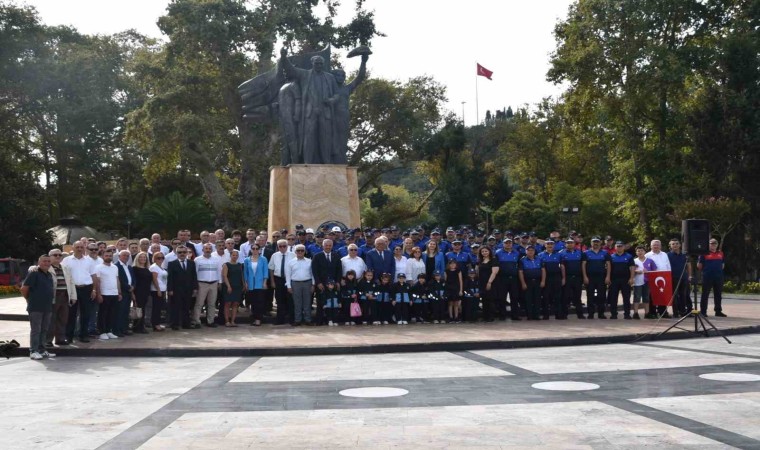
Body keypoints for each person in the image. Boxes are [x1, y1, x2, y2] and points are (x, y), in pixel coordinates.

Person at [280, 48, 339, 164]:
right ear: (312, 63)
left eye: (321, 64)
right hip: (309, 112)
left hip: (325, 112)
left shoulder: (330, 77)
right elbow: (290, 69)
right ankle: (307, 162)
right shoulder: (305, 74)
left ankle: (327, 162)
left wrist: (332, 100)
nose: (319, 66)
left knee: (325, 139)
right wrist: (283, 57)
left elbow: (337, 94)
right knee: (308, 138)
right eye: (317, 63)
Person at [22, 254, 56, 360]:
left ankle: (42, 350)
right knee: (36, 330)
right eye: (44, 261)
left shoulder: (49, 275)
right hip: (35, 307)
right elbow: (24, 289)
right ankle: (33, 351)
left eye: (48, 261)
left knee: (44, 329)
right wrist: (29, 300)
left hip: (47, 307)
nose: (46, 263)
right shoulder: (34, 273)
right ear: (39, 262)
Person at [62, 241, 97, 343]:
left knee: (85, 313)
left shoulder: (89, 261)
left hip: (86, 288)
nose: (79, 249)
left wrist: (94, 289)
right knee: (71, 313)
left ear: (84, 248)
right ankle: (69, 336)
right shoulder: (66, 260)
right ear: (73, 248)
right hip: (73, 289)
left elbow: (94, 276)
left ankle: (84, 335)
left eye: (81, 247)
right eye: (77, 247)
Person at [46, 249, 76, 347]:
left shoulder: (65, 267)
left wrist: (73, 296)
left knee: (63, 319)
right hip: (53, 296)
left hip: (65, 295)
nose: (58, 257)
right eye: (55, 255)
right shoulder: (47, 267)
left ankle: (60, 339)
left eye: (60, 255)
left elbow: (71, 282)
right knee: (51, 319)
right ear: (50, 256)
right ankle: (48, 340)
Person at [311, 239, 342, 325]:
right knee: (321, 302)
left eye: (330, 245)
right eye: (326, 245)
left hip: (333, 284)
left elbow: (339, 270)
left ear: (332, 246)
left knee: (332, 303)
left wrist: (338, 282)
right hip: (321, 283)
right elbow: (314, 271)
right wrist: (318, 282)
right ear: (323, 246)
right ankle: (319, 321)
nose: (328, 247)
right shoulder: (317, 256)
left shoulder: (336, 256)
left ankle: (332, 319)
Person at [166, 246, 198, 330]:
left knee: (186, 307)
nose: (182, 254)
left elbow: (194, 276)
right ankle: (175, 324)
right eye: (180, 252)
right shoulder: (172, 264)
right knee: (175, 307)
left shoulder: (191, 263)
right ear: (176, 253)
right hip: (176, 289)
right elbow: (170, 278)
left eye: (184, 252)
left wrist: (195, 288)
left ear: (187, 253)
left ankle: (186, 324)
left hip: (188, 289)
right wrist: (170, 289)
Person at [93, 250, 121, 341]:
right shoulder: (98, 267)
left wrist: (119, 292)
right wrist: (99, 294)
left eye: (110, 255)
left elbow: (117, 280)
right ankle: (102, 332)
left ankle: (109, 331)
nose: (108, 257)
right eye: (106, 255)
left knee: (111, 313)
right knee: (102, 314)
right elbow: (97, 281)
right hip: (104, 293)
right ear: (103, 256)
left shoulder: (115, 267)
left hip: (114, 293)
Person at [582, 236, 611, 319]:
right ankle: (590, 313)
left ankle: (601, 313)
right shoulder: (586, 253)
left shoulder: (605, 253)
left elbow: (608, 265)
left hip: (601, 277)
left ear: (600, 243)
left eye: (597, 242)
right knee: (590, 296)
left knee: (601, 296)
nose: (596, 243)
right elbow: (583, 265)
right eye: (594, 242)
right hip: (590, 277)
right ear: (591, 243)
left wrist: (608, 276)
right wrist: (585, 277)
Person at [285, 244, 314, 326]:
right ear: (295, 252)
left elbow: (313, 274)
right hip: (295, 283)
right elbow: (288, 275)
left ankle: (308, 320)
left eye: (302, 250)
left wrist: (313, 284)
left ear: (305, 252)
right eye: (298, 250)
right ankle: (298, 320)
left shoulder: (309, 261)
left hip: (307, 283)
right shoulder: (290, 262)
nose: (300, 252)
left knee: (307, 302)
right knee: (297, 303)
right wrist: (288, 286)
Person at [269, 239, 295, 325]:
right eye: (280, 246)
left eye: (284, 246)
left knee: (290, 300)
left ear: (287, 246)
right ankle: (280, 319)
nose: (282, 248)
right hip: (278, 279)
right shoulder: (274, 255)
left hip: (289, 279)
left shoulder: (293, 255)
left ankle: (292, 319)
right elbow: (271, 269)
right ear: (278, 247)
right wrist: (272, 281)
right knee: (279, 300)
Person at [698, 238, 727, 317]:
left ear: (717, 245)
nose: (713, 245)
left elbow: (722, 265)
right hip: (707, 276)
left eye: (715, 243)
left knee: (718, 294)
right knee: (705, 294)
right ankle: (703, 311)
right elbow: (699, 266)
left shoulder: (721, 253)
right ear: (708, 245)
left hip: (718, 276)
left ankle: (718, 311)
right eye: (711, 243)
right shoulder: (704, 253)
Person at [607, 241, 635, 319]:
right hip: (614, 280)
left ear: (624, 247)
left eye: (621, 246)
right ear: (615, 247)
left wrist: (631, 278)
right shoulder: (611, 256)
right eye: (618, 246)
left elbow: (632, 267)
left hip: (625, 280)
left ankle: (627, 314)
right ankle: (613, 314)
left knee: (626, 298)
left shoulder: (629, 256)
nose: (619, 247)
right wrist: (608, 277)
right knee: (613, 298)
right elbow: (609, 268)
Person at [495, 238, 521, 321]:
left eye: (510, 243)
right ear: (503, 244)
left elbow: (519, 265)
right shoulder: (498, 252)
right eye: (506, 243)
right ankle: (502, 315)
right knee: (502, 297)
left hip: (514, 278)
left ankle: (515, 315)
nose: (508, 244)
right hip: (502, 278)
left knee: (514, 297)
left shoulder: (517, 253)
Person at [645, 239, 672, 318]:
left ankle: (663, 312)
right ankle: (652, 312)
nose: (656, 246)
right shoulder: (647, 255)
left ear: (660, 246)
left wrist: (669, 274)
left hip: (664, 276)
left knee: (662, 294)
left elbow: (668, 265)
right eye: (654, 245)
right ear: (651, 246)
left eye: (657, 245)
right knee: (652, 295)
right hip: (652, 277)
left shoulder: (664, 254)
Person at [243, 244, 269, 326]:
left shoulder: (263, 259)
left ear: (259, 250)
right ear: (251, 250)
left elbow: (265, 271)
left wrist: (265, 282)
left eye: (257, 248)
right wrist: (246, 283)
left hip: (260, 283)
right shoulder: (247, 260)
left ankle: (258, 319)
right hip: (250, 284)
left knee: (260, 302)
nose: (255, 250)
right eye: (253, 248)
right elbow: (245, 272)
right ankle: (254, 318)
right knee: (252, 302)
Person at [560, 238, 585, 319]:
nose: (570, 244)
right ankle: (564, 314)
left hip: (577, 277)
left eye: (571, 242)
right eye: (568, 243)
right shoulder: (561, 253)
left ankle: (580, 314)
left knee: (578, 296)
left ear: (574, 244)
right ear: (565, 244)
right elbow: (561, 266)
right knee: (565, 296)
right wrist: (563, 278)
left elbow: (583, 265)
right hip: (567, 277)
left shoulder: (580, 253)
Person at [668, 238, 692, 317]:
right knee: (674, 295)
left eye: (677, 243)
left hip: (684, 278)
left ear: (680, 245)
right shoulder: (667, 255)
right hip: (673, 278)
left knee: (683, 295)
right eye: (673, 244)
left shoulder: (685, 255)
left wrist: (689, 275)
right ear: (670, 246)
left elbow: (688, 265)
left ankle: (683, 311)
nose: (675, 245)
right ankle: (675, 312)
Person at [539, 239, 562, 320]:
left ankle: (558, 314)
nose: (550, 245)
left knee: (557, 296)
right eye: (548, 244)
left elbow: (562, 267)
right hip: (546, 277)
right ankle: (546, 315)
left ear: (554, 245)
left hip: (556, 277)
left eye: (551, 244)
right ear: (545, 245)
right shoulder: (540, 255)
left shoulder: (559, 255)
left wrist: (563, 278)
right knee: (545, 296)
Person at [519, 246, 544, 320]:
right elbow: (520, 272)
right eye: (528, 250)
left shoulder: (539, 259)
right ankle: (529, 315)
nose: (530, 251)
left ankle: (536, 315)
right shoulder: (522, 260)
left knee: (537, 298)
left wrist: (543, 281)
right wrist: (523, 283)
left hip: (538, 281)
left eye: (532, 250)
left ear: (534, 251)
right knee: (528, 299)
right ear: (526, 251)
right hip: (527, 281)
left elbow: (543, 270)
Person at [114, 250, 135, 337]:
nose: (126, 257)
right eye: (124, 255)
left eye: (127, 256)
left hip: (129, 292)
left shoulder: (129, 267)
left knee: (126, 311)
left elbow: (133, 278)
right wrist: (128, 287)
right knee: (120, 312)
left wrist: (133, 286)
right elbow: (119, 280)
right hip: (122, 292)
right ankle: (118, 330)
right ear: (119, 256)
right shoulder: (116, 266)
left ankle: (124, 329)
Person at [132, 252, 153, 334]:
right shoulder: (134, 269)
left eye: (144, 257)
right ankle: (137, 327)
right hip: (138, 292)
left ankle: (141, 326)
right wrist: (133, 293)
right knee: (138, 309)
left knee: (143, 309)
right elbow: (133, 281)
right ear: (137, 258)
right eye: (141, 257)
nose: (143, 259)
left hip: (146, 291)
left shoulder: (147, 268)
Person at [222, 249, 244, 327]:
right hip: (229, 286)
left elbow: (242, 276)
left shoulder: (240, 265)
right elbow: (224, 276)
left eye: (236, 255)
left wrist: (244, 285)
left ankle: (233, 321)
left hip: (238, 286)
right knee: (227, 303)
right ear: (230, 256)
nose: (235, 256)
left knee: (235, 304)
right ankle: (227, 321)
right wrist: (228, 286)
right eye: (233, 255)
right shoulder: (226, 265)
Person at [149, 251, 168, 331]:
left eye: (162, 258)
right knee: (156, 308)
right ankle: (155, 324)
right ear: (154, 258)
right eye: (158, 258)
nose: (160, 259)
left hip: (163, 289)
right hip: (156, 290)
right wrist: (158, 290)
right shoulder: (154, 267)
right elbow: (154, 279)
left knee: (159, 308)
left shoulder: (161, 267)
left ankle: (158, 323)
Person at [632, 246, 651, 320]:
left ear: (645, 252)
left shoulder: (649, 260)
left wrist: (648, 271)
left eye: (642, 250)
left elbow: (654, 270)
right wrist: (636, 271)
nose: (640, 252)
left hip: (647, 281)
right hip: (637, 282)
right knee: (637, 297)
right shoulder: (634, 261)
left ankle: (647, 313)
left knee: (646, 297)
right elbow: (630, 270)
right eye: (638, 251)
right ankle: (635, 313)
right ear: (636, 252)